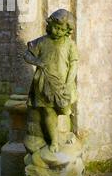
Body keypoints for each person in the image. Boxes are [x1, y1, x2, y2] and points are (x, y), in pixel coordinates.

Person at [24, 9, 78, 152]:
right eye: (55, 27)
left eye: (61, 29)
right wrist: (37, 61)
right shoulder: (41, 42)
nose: (57, 31)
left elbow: (73, 65)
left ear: (67, 30)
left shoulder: (70, 44)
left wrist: (68, 83)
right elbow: (27, 55)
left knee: (66, 111)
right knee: (48, 112)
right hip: (43, 83)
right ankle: (54, 141)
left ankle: (66, 134)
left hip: (63, 84)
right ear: (49, 24)